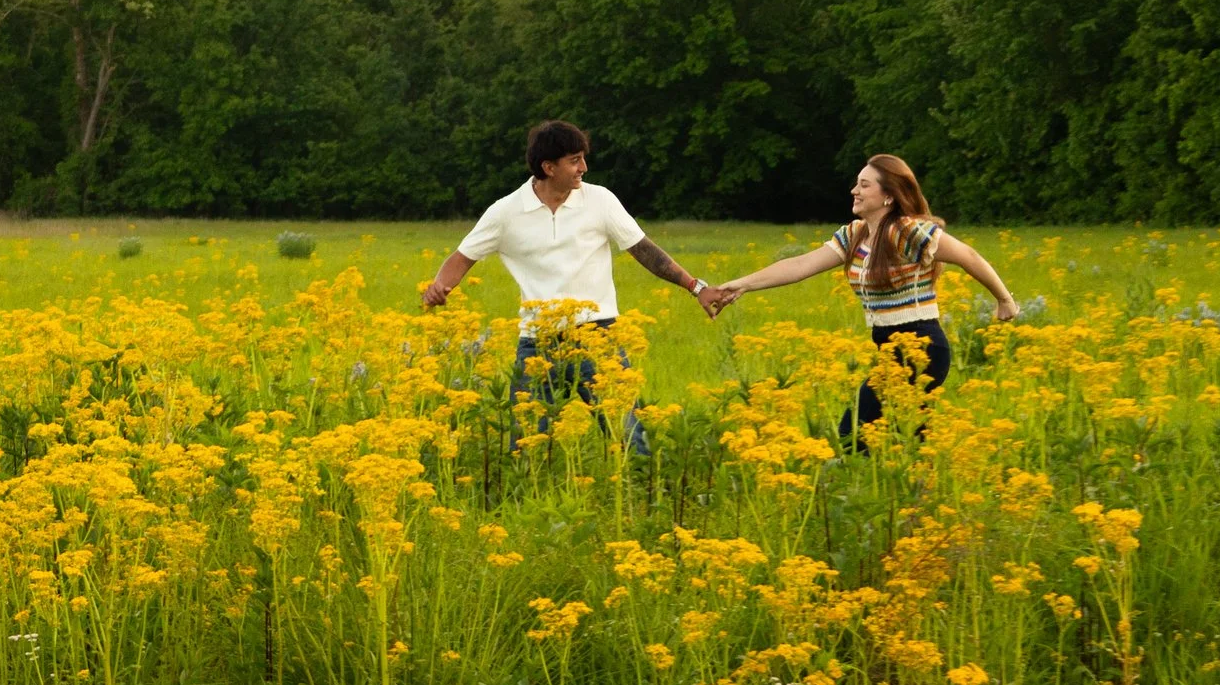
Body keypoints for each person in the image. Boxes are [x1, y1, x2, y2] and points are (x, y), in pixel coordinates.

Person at [422, 120, 712, 454]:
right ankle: (527, 501)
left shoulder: (600, 201)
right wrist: (439, 287)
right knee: (527, 445)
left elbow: (644, 250)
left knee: (629, 436)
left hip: (598, 336)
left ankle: (643, 494)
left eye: (582, 159)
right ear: (548, 167)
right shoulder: (506, 212)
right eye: (574, 160)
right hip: (537, 344)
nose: (583, 168)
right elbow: (463, 257)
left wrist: (695, 286)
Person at [703, 154, 1018, 449]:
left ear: (889, 196)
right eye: (857, 183)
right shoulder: (855, 234)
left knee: (852, 435)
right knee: (908, 444)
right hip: (890, 349)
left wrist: (1004, 300)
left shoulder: (905, 232)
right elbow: (799, 266)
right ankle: (918, 502)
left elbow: (969, 256)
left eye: (864, 185)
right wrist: (740, 286)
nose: (854, 190)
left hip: (921, 346)